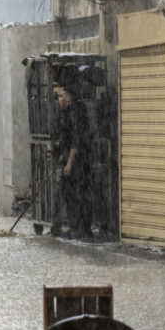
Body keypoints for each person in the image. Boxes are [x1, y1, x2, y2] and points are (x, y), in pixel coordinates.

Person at [57, 84, 93, 240]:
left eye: (62, 96)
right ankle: (79, 228)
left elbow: (76, 141)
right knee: (75, 195)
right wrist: (62, 157)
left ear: (69, 98)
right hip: (75, 160)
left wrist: (69, 162)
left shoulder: (75, 114)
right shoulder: (69, 112)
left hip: (77, 162)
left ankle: (79, 228)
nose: (60, 99)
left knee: (75, 195)